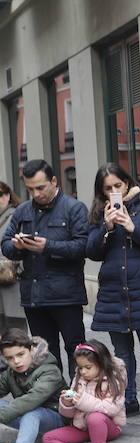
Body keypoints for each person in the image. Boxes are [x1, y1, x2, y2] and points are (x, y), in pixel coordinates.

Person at [86, 163, 140, 424]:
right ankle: (128, 398)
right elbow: (92, 252)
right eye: (107, 188)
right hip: (113, 291)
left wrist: (133, 228)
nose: (113, 192)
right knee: (121, 352)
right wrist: (107, 228)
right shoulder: (99, 214)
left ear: (127, 183)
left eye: (117, 186)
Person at [0, 159, 88, 378]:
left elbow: (82, 247)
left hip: (66, 294)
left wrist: (48, 246)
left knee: (75, 350)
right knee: (44, 353)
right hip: (34, 296)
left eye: (41, 187)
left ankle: (79, 397)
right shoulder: (22, 211)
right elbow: (5, 245)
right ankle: (53, 400)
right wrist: (17, 246)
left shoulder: (74, 208)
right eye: (30, 189)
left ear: (54, 181)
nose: (36, 194)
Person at [42, 340, 126, 443]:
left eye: (88, 367)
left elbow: (112, 408)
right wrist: (67, 403)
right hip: (82, 426)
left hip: (108, 427)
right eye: (80, 368)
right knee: (48, 438)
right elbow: (68, 414)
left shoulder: (113, 379)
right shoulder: (79, 378)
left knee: (95, 417)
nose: (83, 372)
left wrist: (82, 401)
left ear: (101, 364)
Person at [0, 329, 67, 443]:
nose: (16, 361)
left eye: (20, 355)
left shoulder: (50, 370)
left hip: (57, 418)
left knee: (32, 412)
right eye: (10, 358)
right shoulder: (11, 372)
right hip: (28, 416)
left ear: (31, 349)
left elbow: (31, 400)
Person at [0, 180, 27, 332]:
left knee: (16, 337)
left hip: (12, 285)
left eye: (0, 194)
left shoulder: (16, 216)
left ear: (8, 195)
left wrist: (15, 267)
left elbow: (26, 249)